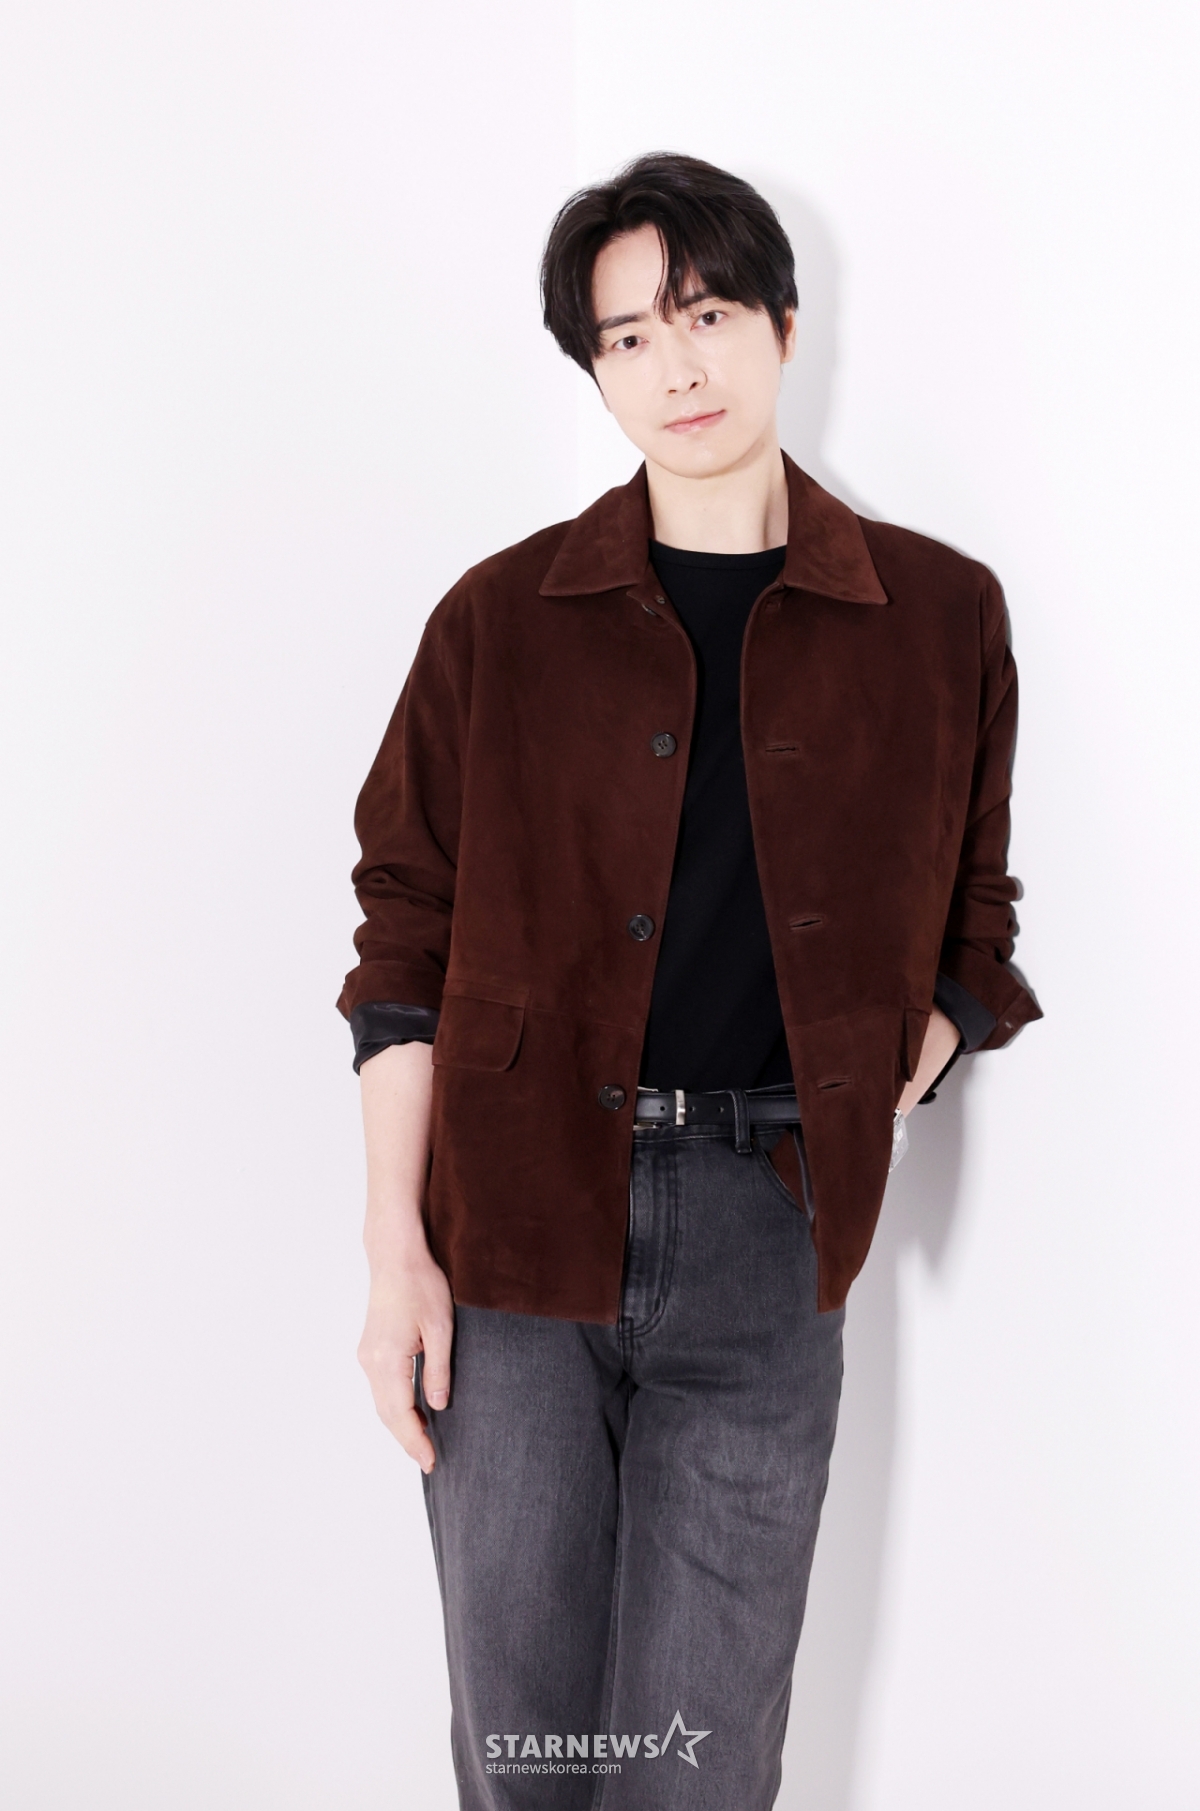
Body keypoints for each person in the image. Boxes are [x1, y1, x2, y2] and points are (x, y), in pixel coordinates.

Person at [338, 152, 1041, 1810]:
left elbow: (978, 930)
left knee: (701, 1772)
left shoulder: (938, 616)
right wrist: (395, 1253)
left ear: (785, 323)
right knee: (526, 1755)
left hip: (766, 1232)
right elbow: (402, 937)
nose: (677, 367)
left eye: (707, 314)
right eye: (629, 338)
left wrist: (899, 1057)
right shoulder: (500, 620)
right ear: (594, 372)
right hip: (511, 1238)